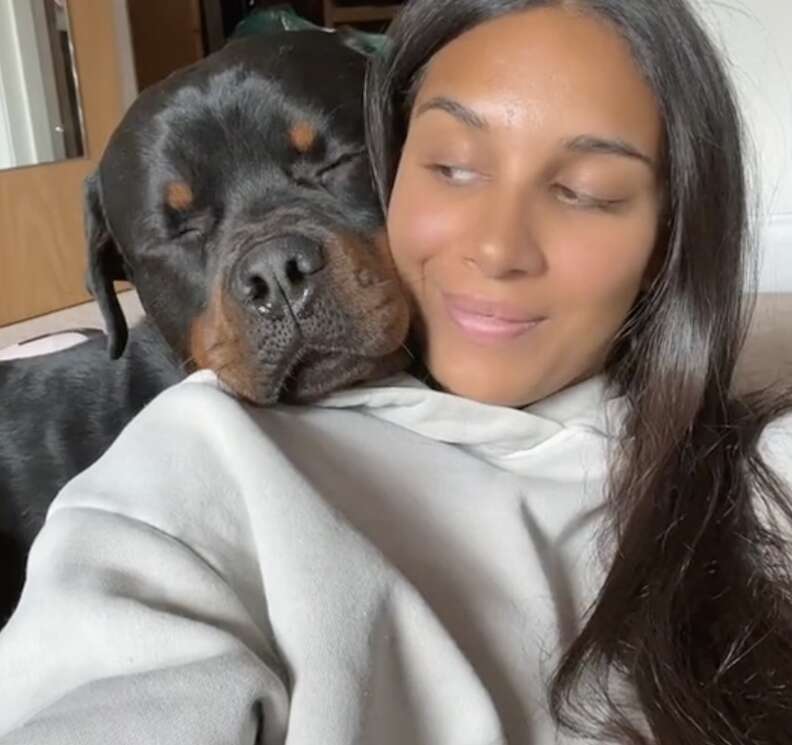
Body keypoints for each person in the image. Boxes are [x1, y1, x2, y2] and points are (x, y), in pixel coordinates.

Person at [1, 0, 791, 742]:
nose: (272, 268)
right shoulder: (183, 463)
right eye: (453, 167)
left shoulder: (746, 467)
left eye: (330, 166)